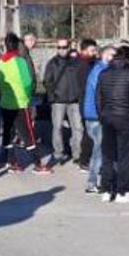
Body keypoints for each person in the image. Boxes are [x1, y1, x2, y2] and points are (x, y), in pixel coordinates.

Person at [96, 49, 129, 203]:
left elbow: (99, 99)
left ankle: (107, 189)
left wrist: (102, 115)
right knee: (124, 156)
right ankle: (123, 190)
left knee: (108, 155)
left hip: (107, 117)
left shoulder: (103, 74)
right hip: (125, 118)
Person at [0, 32, 43, 173]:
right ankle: (38, 164)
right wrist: (27, 95)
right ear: (17, 45)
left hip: (5, 104)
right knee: (28, 135)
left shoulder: (0, 63)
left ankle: (11, 162)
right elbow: (28, 83)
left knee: (8, 134)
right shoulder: (20, 61)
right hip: (20, 103)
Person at [43, 38, 82, 167]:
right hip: (58, 101)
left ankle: (77, 154)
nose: (61, 50)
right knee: (57, 127)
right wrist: (53, 96)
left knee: (78, 128)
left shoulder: (76, 63)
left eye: (64, 47)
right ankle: (58, 154)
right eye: (59, 47)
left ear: (69, 47)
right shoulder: (52, 63)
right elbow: (47, 81)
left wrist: (79, 94)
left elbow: (81, 80)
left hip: (74, 101)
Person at [83, 46, 115, 193]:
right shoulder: (101, 71)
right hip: (97, 115)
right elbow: (101, 93)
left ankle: (100, 179)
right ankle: (92, 182)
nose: (114, 58)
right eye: (111, 55)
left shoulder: (98, 69)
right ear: (104, 55)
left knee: (100, 148)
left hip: (94, 114)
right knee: (99, 150)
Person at [74, 39, 99, 170]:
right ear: (84, 51)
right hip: (87, 102)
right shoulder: (83, 65)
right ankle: (84, 160)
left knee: (90, 131)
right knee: (89, 132)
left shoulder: (91, 63)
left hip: (89, 101)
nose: (95, 53)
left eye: (95, 50)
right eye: (92, 50)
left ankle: (85, 159)